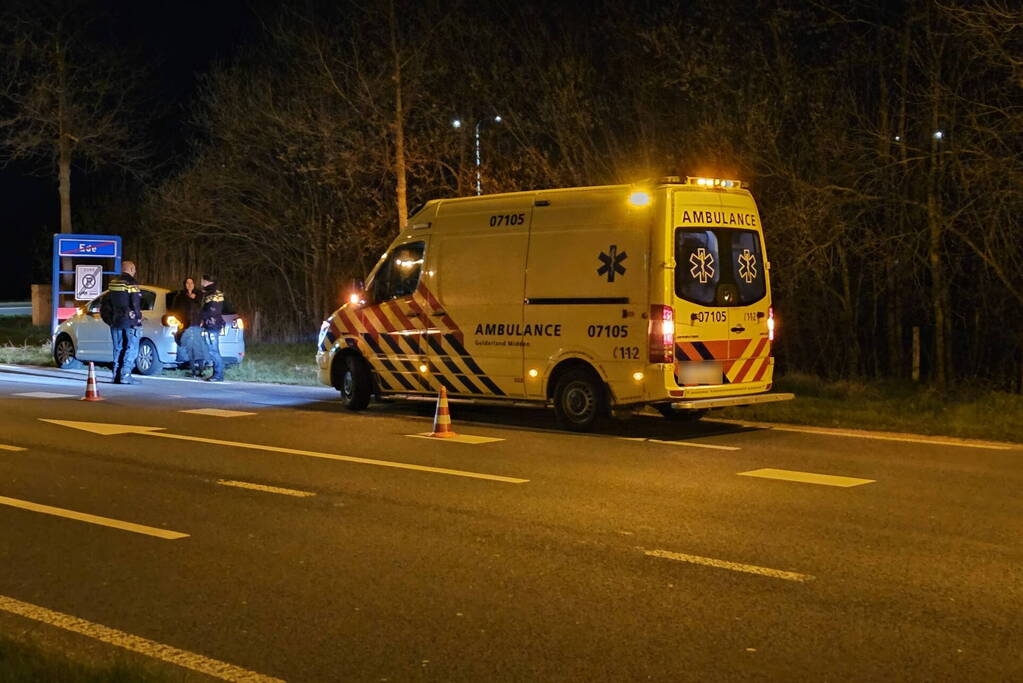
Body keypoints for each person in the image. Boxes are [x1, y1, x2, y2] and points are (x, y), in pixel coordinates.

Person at [105, 260, 143, 384]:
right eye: (135, 269)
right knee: (131, 347)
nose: (135, 272)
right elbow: (135, 303)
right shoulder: (131, 283)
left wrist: (111, 318)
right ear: (131, 269)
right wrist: (138, 317)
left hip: (116, 320)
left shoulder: (112, 283)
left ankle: (116, 375)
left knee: (118, 347)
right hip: (129, 321)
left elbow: (107, 303)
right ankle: (125, 375)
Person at [171, 277, 206, 378]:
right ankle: (193, 371)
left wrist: (202, 321)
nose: (189, 285)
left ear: (194, 284)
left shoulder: (199, 296)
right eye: (187, 283)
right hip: (185, 326)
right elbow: (175, 311)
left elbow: (203, 310)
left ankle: (201, 369)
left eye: (191, 283)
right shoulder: (180, 297)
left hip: (197, 325)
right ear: (184, 285)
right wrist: (180, 322)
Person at [199, 273, 226, 382]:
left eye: (202, 280)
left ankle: (218, 375)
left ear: (207, 281)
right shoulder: (211, 293)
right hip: (211, 324)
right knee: (212, 350)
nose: (201, 282)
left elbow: (211, 311)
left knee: (213, 351)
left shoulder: (213, 294)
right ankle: (217, 374)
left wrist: (202, 318)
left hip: (212, 325)